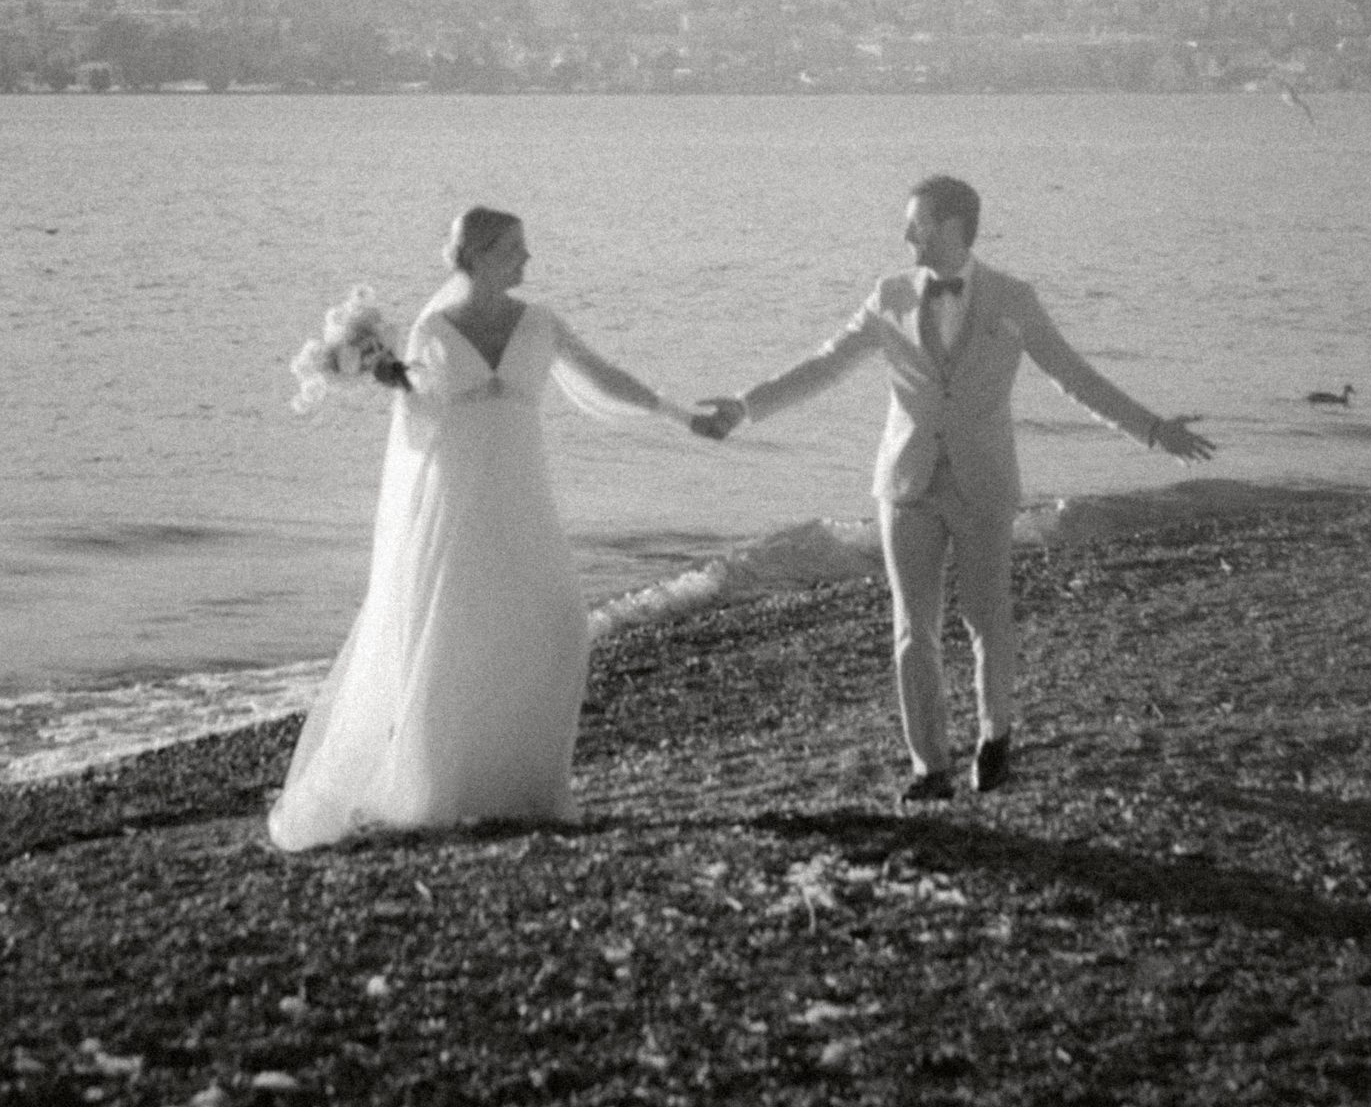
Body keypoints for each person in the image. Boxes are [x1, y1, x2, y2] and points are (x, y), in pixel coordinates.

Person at [691, 173, 1213, 807]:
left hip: (983, 485)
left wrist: (1153, 430)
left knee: (987, 619)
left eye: (916, 222)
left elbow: (1074, 377)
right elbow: (823, 365)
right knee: (914, 628)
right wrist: (744, 409)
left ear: (951, 227)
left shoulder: (1014, 300)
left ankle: (995, 736)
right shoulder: (888, 297)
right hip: (906, 483)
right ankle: (928, 767)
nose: (905, 233)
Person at [269, 204, 683, 850]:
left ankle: (529, 786)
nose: (528, 259)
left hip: (524, 495)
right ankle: (443, 788)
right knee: (454, 633)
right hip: (455, 497)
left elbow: (604, 377)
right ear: (482, 253)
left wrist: (676, 413)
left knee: (558, 624)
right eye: (516, 247)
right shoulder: (433, 328)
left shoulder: (540, 322)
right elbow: (418, 423)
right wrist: (383, 377)